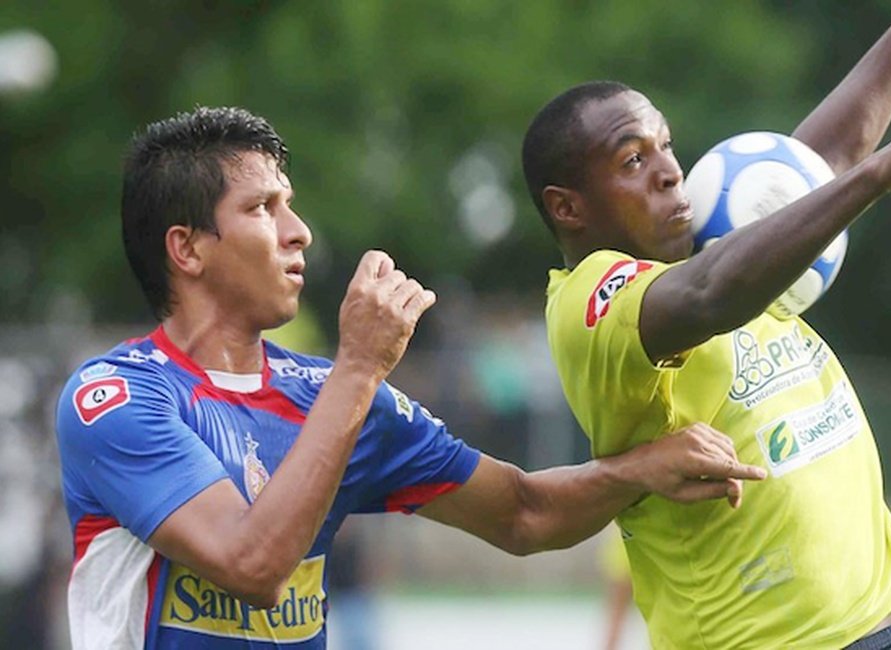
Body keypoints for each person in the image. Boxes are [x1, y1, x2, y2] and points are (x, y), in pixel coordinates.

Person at [54, 106, 766, 649]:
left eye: (289, 203)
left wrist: (642, 466)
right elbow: (253, 565)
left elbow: (522, 512)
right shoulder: (117, 398)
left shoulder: (326, 395)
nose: (298, 231)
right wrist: (360, 366)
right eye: (262, 209)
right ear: (186, 249)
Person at [521, 0, 891, 647]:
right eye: (633, 161)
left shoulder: (717, 244)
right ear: (567, 208)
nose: (668, 170)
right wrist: (875, 178)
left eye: (665, 145)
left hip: (887, 629)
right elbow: (711, 296)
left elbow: (815, 169)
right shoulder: (590, 304)